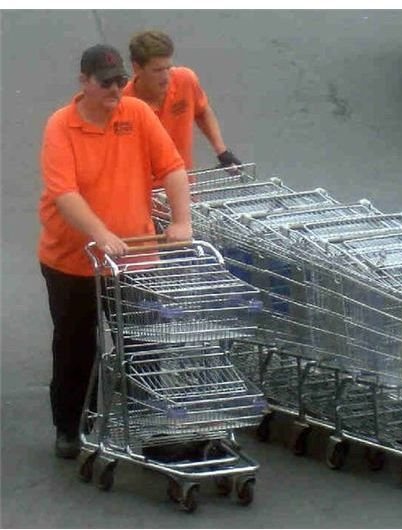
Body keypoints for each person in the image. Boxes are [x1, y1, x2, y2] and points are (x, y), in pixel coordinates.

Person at [38, 43, 192, 459]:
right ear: (84, 82)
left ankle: (146, 425)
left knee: (144, 344)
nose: (116, 89)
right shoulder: (61, 126)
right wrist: (100, 233)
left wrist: (181, 221)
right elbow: (64, 193)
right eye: (106, 82)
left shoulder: (136, 114)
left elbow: (173, 167)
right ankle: (71, 426)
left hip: (135, 255)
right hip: (72, 260)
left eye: (120, 81)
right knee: (75, 347)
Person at [124, 30, 242, 173]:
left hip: (184, 183)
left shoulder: (185, 80)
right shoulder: (123, 102)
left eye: (168, 68)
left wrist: (221, 150)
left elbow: (202, 112)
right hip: (145, 188)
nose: (166, 77)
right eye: (157, 70)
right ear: (137, 68)